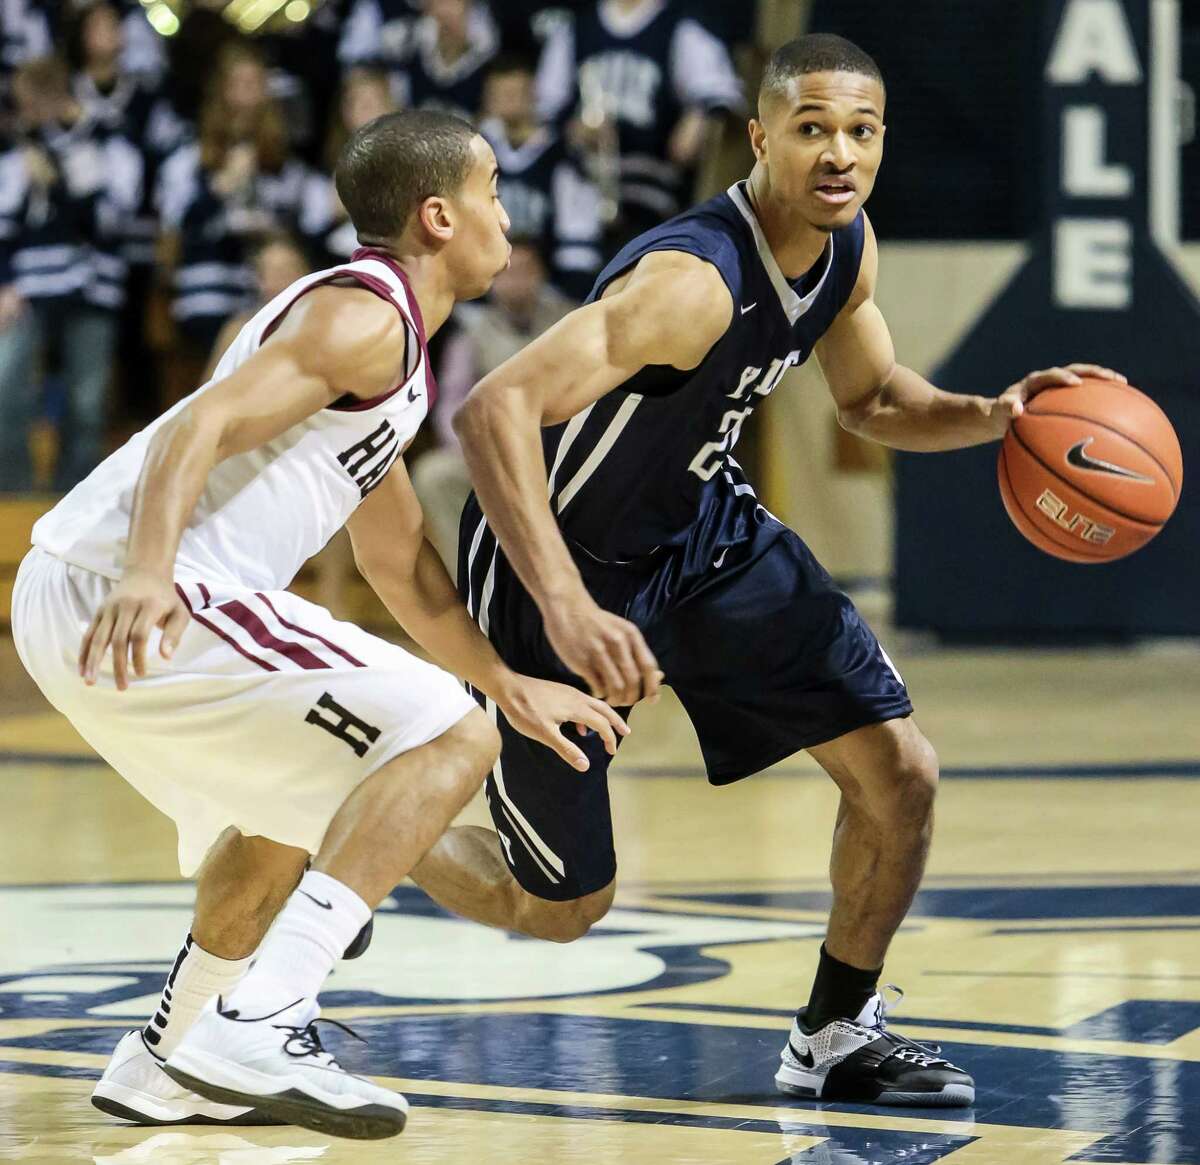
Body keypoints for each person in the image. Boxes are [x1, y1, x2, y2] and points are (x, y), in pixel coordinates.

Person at [414, 35, 1131, 1108]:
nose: (839, 154)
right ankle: (353, 805)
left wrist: (996, 416)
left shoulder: (847, 249)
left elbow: (872, 399)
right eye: (812, 129)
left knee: (902, 774)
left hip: (705, 535)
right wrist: (563, 604)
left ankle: (836, 1034)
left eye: (861, 132)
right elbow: (491, 409)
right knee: (559, 904)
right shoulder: (693, 283)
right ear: (760, 139)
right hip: (556, 560)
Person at [10, 108, 625, 1140]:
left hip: (93, 595)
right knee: (441, 734)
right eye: (492, 194)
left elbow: (399, 564)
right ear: (438, 215)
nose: (507, 215)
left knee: (285, 820)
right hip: (131, 585)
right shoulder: (364, 318)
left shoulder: (392, 351)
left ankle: (170, 1054)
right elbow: (196, 427)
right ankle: (265, 1016)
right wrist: (152, 573)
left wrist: (508, 685)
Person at [0, 55, 142, 491]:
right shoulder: (19, 151)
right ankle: (13, 496)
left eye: (31, 102)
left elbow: (111, 216)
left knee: (86, 404)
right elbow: (4, 224)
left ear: (54, 96)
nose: (26, 112)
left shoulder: (108, 138)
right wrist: (5, 282)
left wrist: (61, 177)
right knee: (7, 389)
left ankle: (71, 503)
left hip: (93, 285)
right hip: (29, 287)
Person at [412, 235, 573, 566]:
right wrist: (478, 453)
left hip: (559, 453)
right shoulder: (472, 333)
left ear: (541, 274)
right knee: (434, 474)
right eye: (507, 273)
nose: (515, 281)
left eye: (525, 271)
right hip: (491, 451)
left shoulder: (571, 322)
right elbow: (450, 409)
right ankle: (470, 583)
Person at [535, 0, 743, 246]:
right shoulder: (577, 28)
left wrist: (697, 116)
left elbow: (721, 91)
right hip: (586, 181)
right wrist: (577, 129)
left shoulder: (678, 25)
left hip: (653, 180)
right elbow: (546, 106)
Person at [480, 54, 602, 300]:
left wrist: (570, 295)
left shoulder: (561, 153)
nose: (509, 103)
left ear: (533, 95)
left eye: (516, 94)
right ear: (488, 100)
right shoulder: (476, 150)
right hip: (488, 287)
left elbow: (578, 241)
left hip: (548, 290)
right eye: (501, 95)